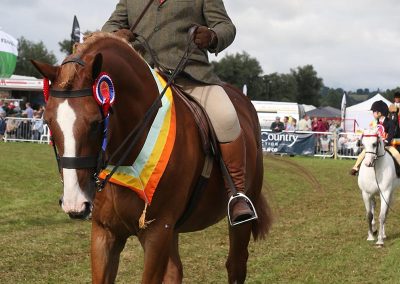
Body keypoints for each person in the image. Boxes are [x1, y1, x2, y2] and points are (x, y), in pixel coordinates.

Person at [102, 0, 254, 223]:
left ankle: (237, 194)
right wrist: (116, 35)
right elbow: (109, 27)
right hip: (144, 81)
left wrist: (212, 36)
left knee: (226, 116)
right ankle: (93, 185)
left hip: (190, 77)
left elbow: (226, 26)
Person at [350, 100, 400, 175]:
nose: (372, 113)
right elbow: (369, 133)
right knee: (363, 153)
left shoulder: (390, 122)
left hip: (387, 145)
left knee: (396, 154)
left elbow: (391, 134)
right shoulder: (374, 122)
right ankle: (356, 167)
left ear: (379, 113)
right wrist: (361, 140)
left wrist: (386, 142)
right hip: (375, 144)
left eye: (374, 111)